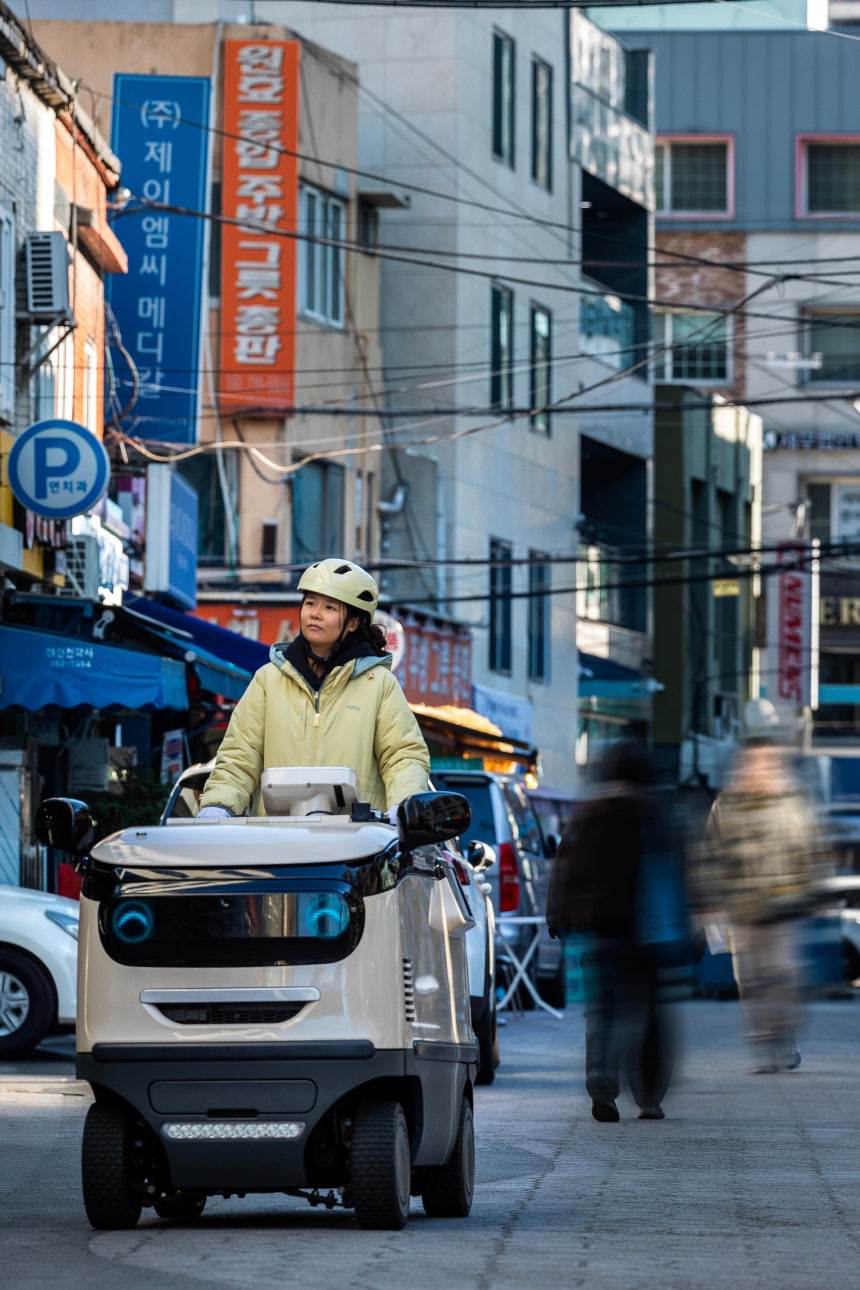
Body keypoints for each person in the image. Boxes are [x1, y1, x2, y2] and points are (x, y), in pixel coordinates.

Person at [197, 558, 430, 818]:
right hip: (277, 843)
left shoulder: (379, 684)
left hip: (357, 845)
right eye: (310, 603)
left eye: (330, 607)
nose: (315, 613)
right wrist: (218, 805)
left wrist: (404, 805)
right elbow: (240, 754)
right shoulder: (268, 679)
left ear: (353, 623)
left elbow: (403, 756)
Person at [546, 739, 688, 1123]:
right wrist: (690, 933)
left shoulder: (589, 815)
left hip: (600, 930)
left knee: (602, 1011)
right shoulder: (655, 814)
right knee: (651, 1015)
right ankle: (649, 1096)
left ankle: (601, 1075)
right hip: (649, 935)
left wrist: (558, 916)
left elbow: (565, 868)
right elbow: (678, 876)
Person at [696, 701, 823, 1074]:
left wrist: (809, 888)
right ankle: (765, 1038)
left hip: (784, 904)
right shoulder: (728, 802)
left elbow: (810, 846)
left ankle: (782, 1036)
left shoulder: (791, 798)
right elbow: (712, 851)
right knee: (749, 978)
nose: (760, 759)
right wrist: (710, 897)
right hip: (745, 906)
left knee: (782, 975)